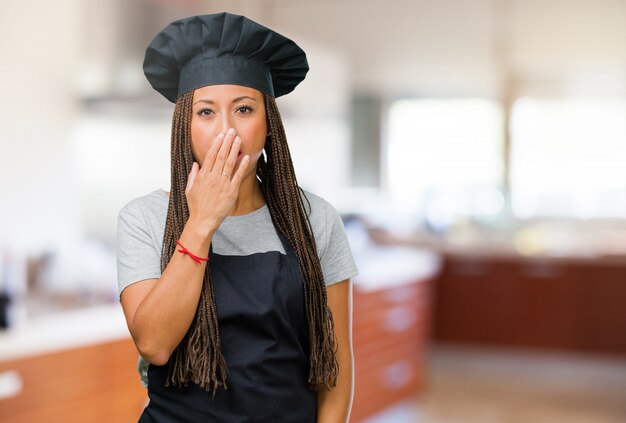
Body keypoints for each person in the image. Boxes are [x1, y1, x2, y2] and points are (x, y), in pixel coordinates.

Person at [116, 12, 358, 422]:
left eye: (244, 109)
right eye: (206, 112)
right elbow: (154, 344)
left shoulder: (314, 219)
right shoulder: (144, 218)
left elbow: (335, 366)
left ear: (268, 124)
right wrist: (202, 223)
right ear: (184, 127)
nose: (226, 131)